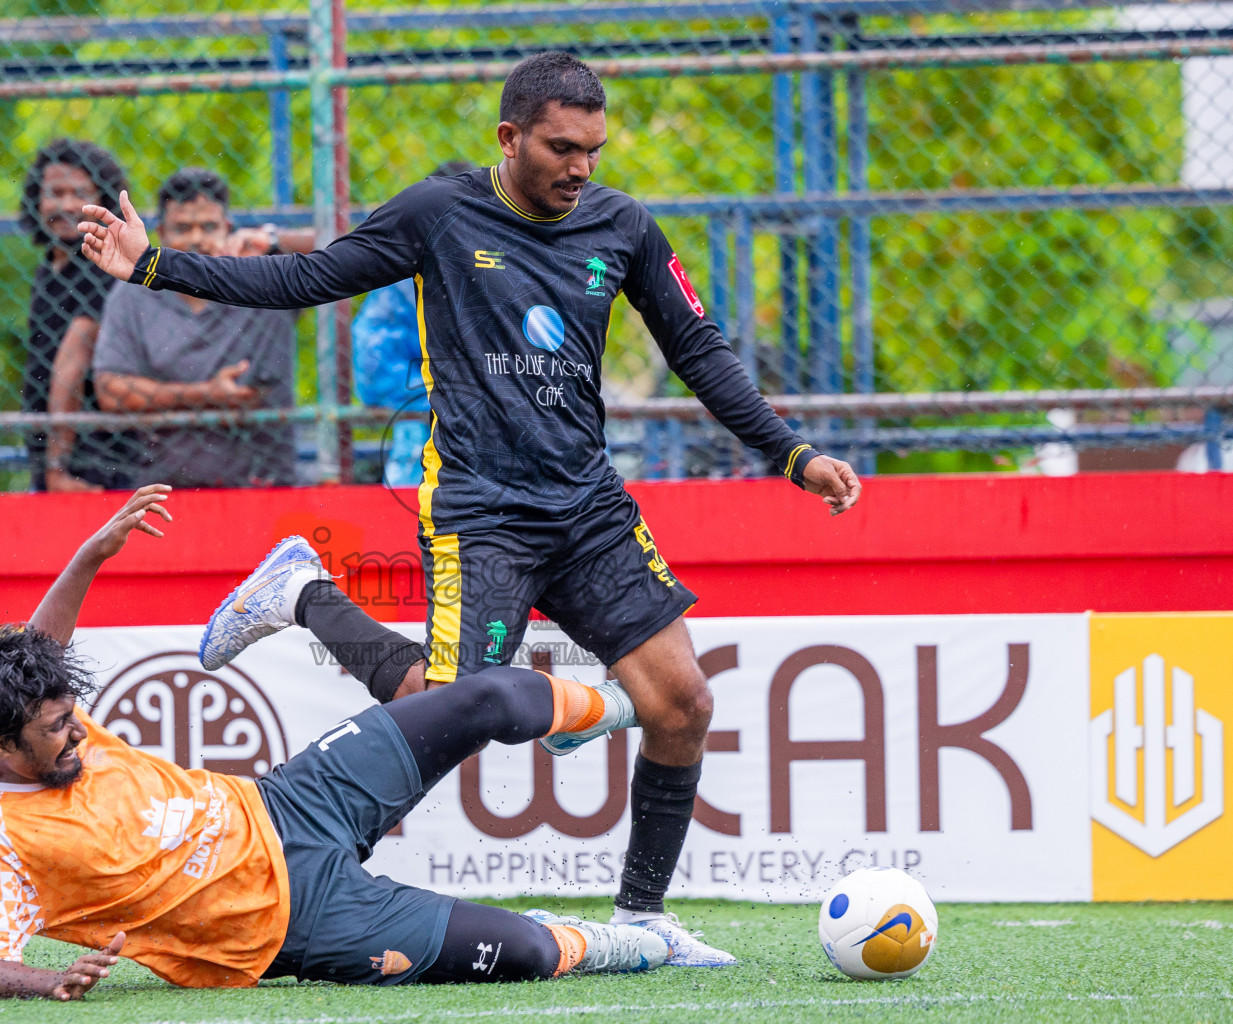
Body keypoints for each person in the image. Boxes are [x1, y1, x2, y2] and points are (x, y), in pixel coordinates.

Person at [78, 50, 862, 965]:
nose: (580, 168)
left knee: (682, 701)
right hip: (481, 513)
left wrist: (791, 452)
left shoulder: (623, 227)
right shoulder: (438, 213)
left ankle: (643, 915)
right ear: (508, 137)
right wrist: (154, 265)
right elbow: (305, 280)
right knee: (453, 712)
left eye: (594, 151)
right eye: (561, 148)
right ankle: (306, 597)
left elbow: (697, 348)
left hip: (589, 508)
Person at [0, 487, 669, 999]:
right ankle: (631, 942)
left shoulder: (33, 706)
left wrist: (92, 555)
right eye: (57, 731)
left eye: (73, 716)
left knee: (486, 696)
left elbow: (41, 644)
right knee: (530, 952)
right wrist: (50, 981)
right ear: (0, 745)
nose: (78, 733)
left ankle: (636, 705)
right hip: (289, 922)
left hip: (289, 801)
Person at [92, 168, 315, 489]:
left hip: (265, 481)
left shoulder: (263, 276)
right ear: (161, 234)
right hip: (167, 484)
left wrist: (271, 239)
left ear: (228, 229)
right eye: (183, 228)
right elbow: (111, 391)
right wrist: (206, 395)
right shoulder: (132, 295)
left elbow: (341, 250)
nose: (196, 239)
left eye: (209, 227)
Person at [351, 160, 474, 487]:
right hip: (424, 431)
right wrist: (457, 392)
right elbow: (372, 376)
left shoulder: (512, 274)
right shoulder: (400, 286)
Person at [19, 138, 132, 492]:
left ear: (103, 201)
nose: (66, 205)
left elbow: (73, 362)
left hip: (91, 454)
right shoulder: (48, 270)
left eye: (80, 193)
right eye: (55, 193)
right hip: (50, 445)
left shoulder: (104, 266)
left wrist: (57, 467)